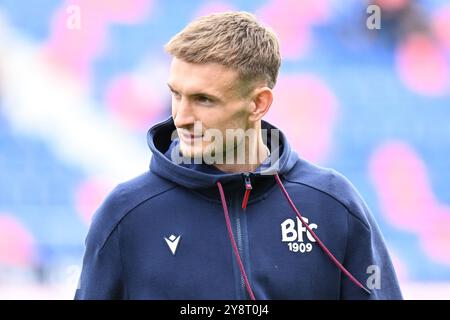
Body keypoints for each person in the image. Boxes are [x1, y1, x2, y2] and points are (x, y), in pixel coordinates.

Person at [75, 11, 402, 300]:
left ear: (259, 103)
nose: (181, 117)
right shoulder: (127, 211)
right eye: (176, 95)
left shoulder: (331, 204)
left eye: (203, 99)